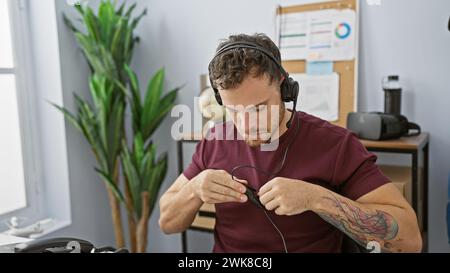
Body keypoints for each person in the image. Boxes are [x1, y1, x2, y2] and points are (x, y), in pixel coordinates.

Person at [159, 33, 422, 253]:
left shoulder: (335, 144)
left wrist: (316, 198)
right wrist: (193, 189)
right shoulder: (215, 141)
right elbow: (167, 223)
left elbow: (410, 240)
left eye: (259, 108)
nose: (247, 125)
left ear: (285, 89)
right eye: (234, 110)